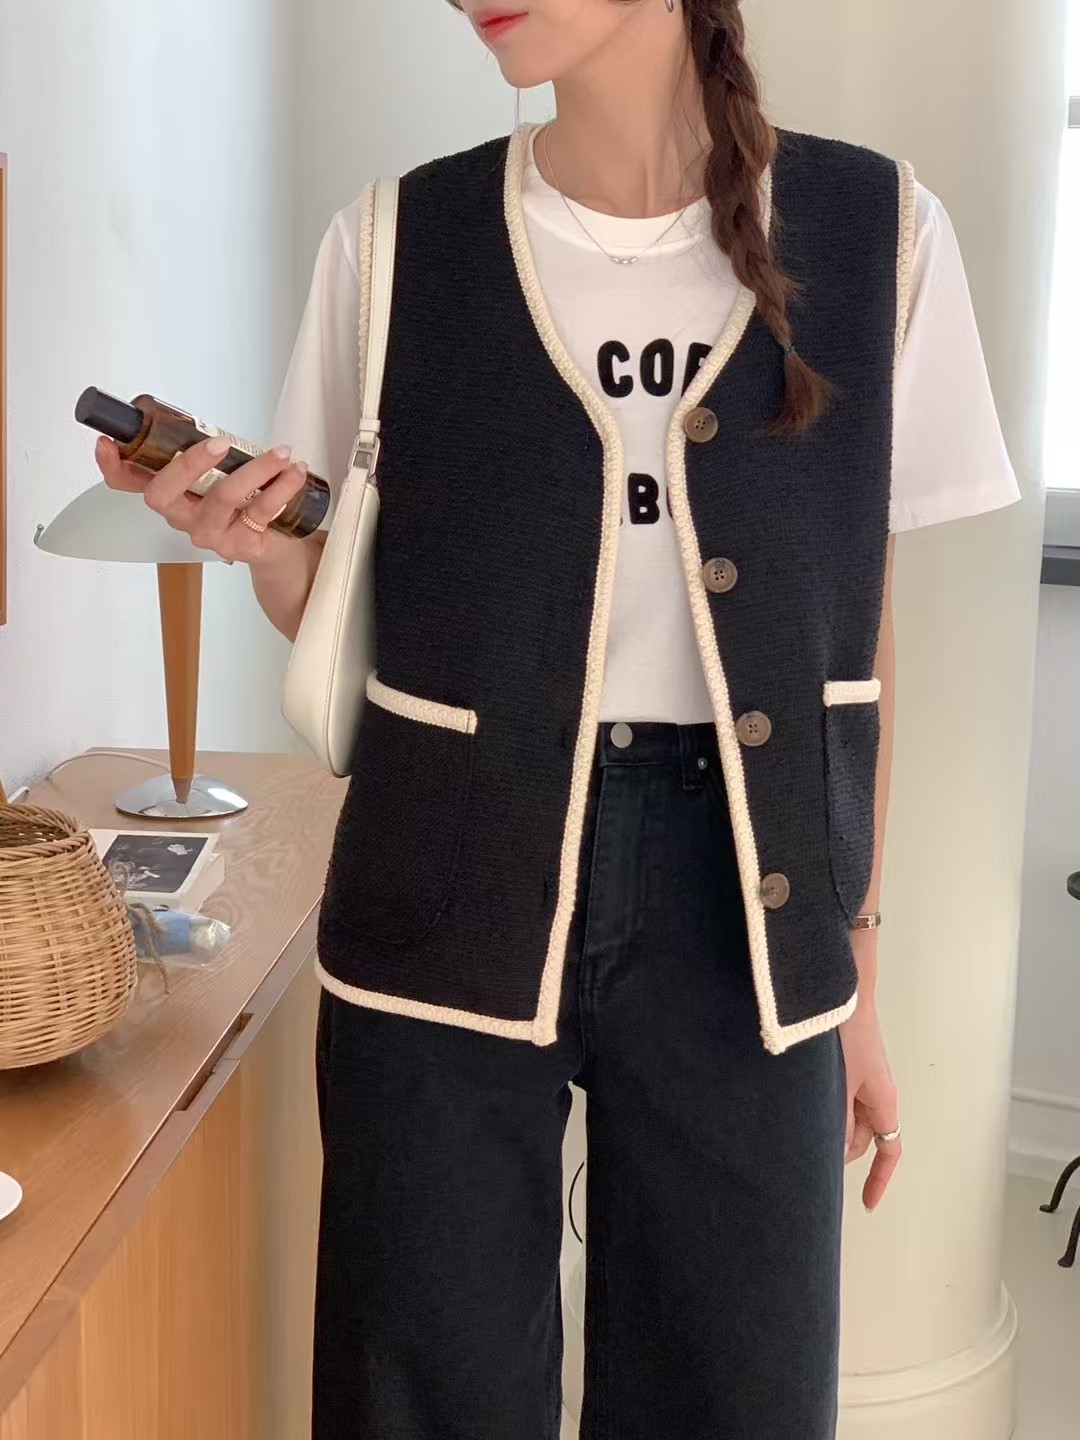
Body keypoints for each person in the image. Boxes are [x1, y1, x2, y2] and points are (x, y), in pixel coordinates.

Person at [96, 2, 1021, 1435]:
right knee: (419, 1388)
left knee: (740, 1394)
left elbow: (855, 636)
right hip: (444, 875)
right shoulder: (392, 243)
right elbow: (360, 620)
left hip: (752, 904)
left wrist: (853, 971)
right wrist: (267, 555)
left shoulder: (879, 231)